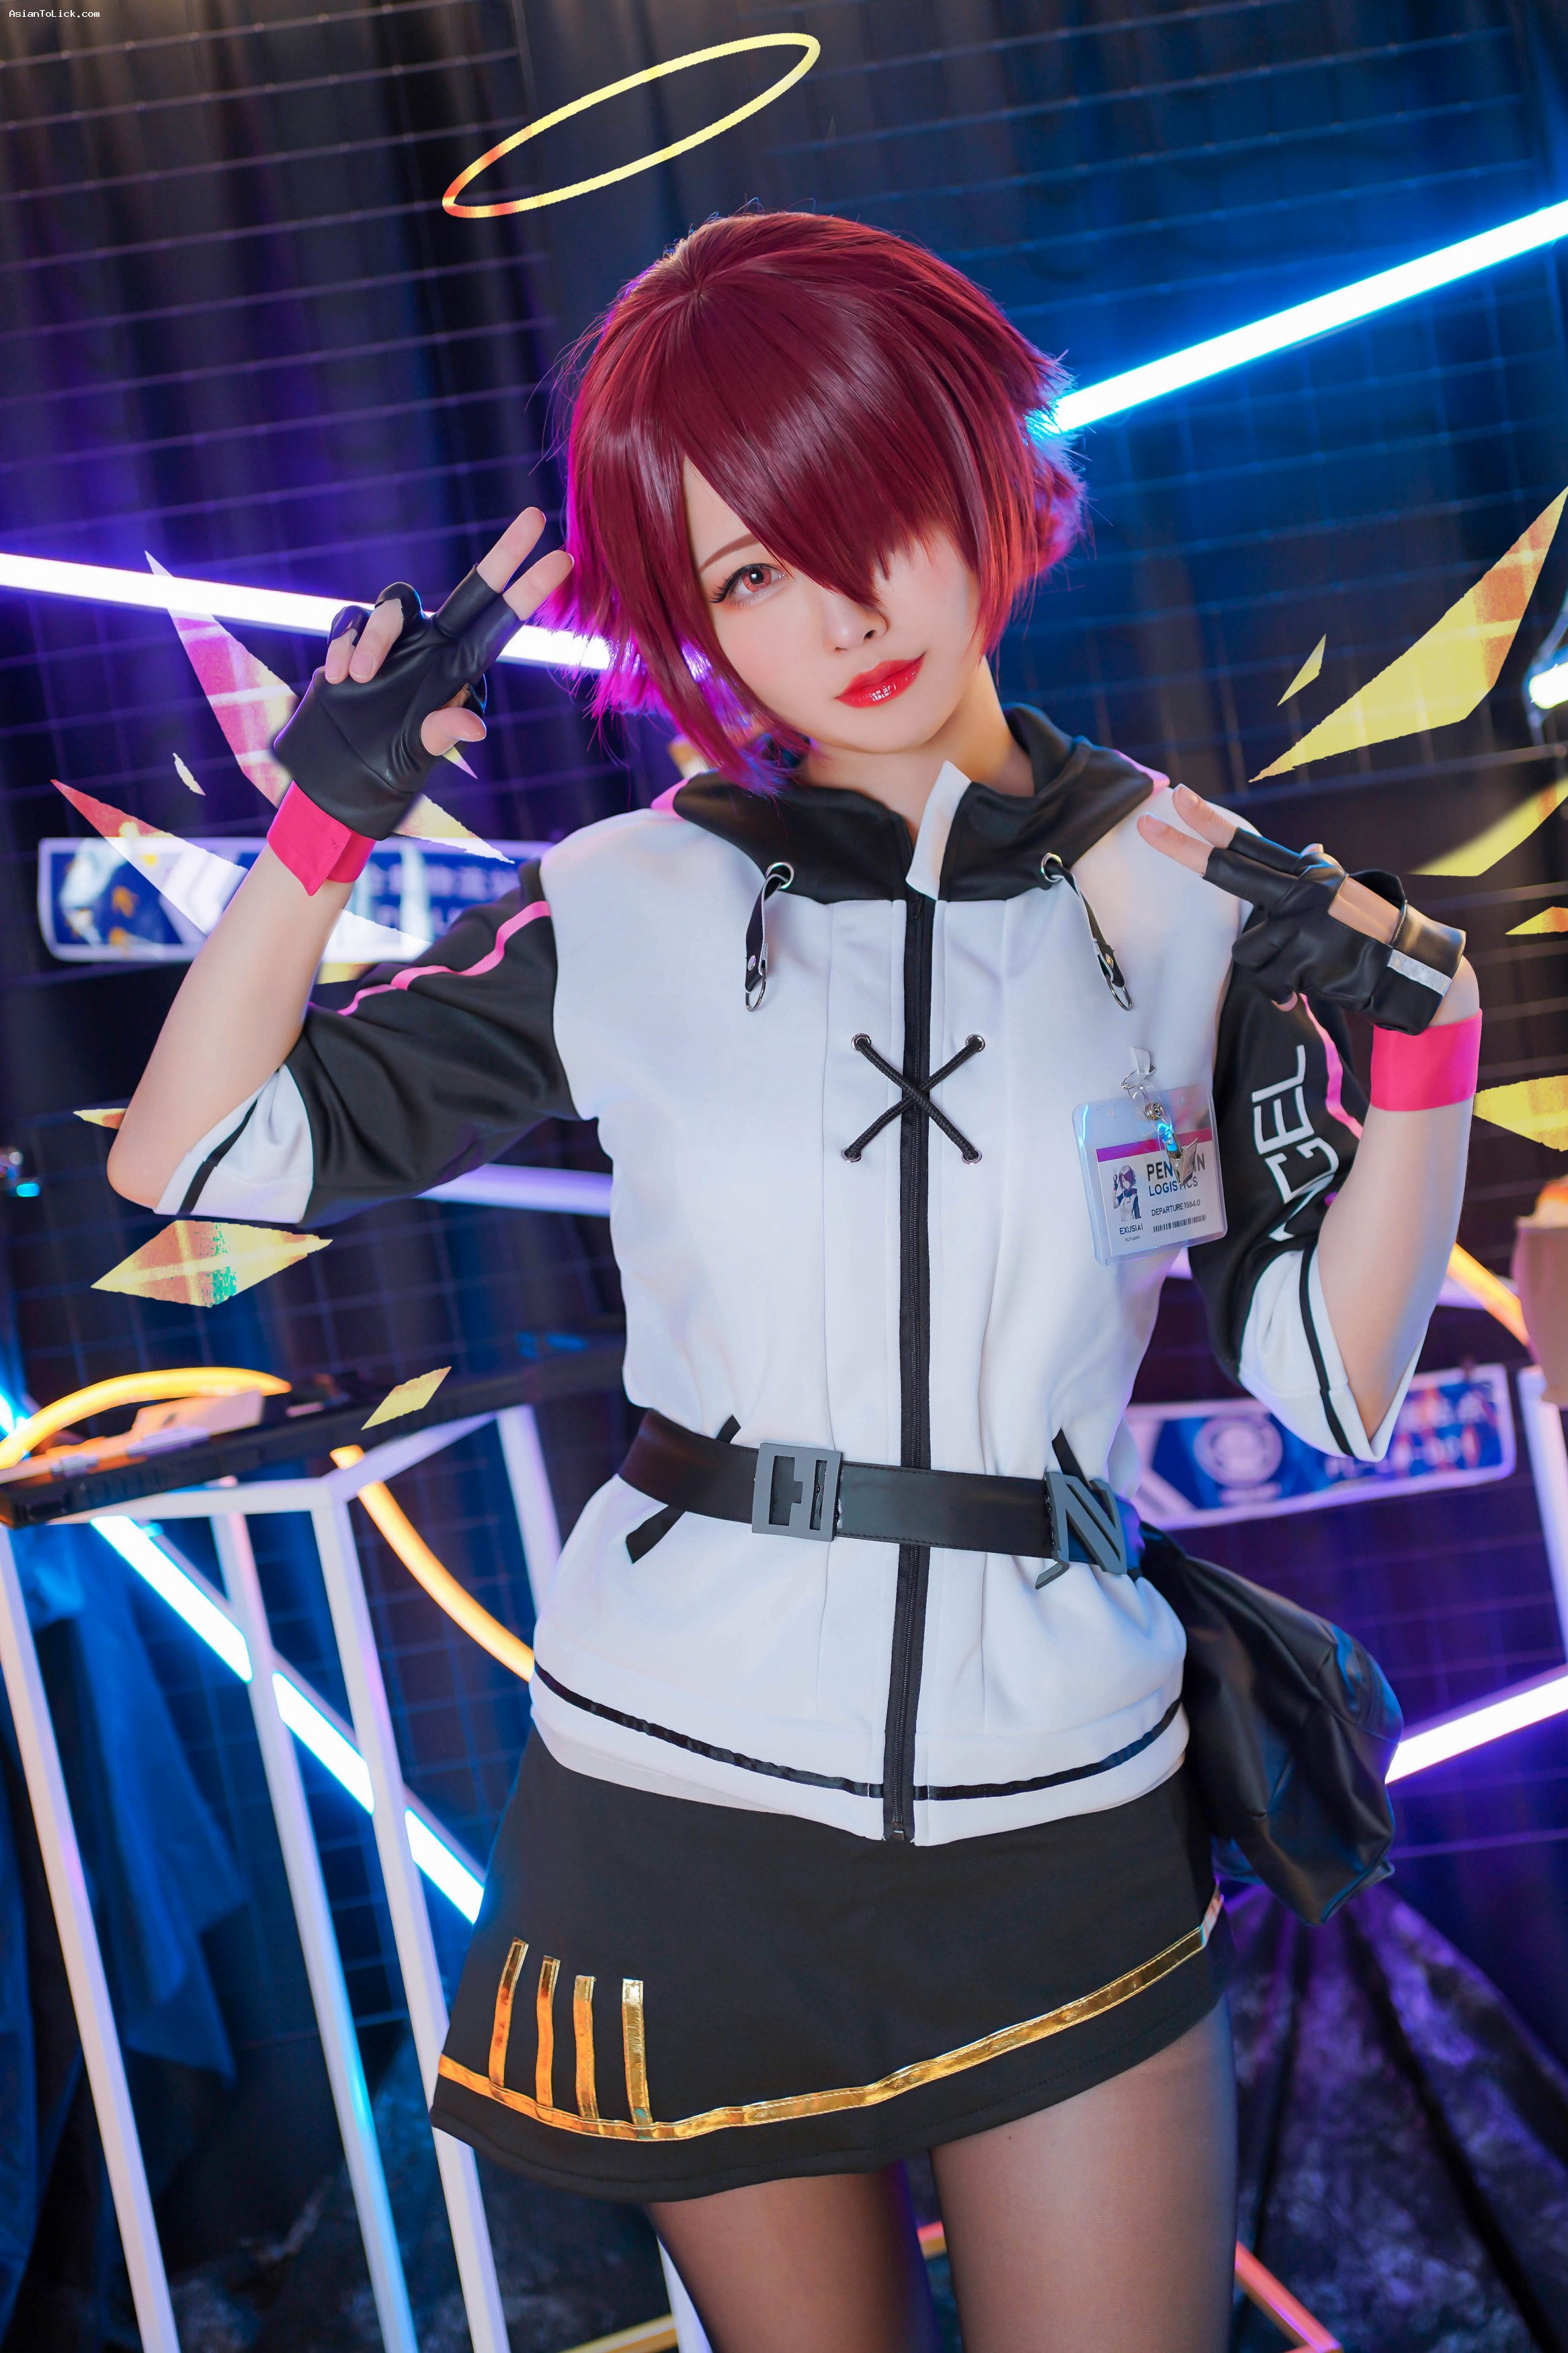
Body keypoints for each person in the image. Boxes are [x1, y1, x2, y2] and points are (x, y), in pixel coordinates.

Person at [107, 212, 1479, 2353]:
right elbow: (190, 1156)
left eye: (872, 520)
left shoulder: (1195, 895)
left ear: (984, 479)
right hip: (679, 1810)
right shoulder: (628, 900)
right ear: (689, 621)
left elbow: (1333, 1383)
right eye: (749, 572)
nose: (838, 617)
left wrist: (1429, 1058)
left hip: (1062, 1807)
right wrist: (318, 828)